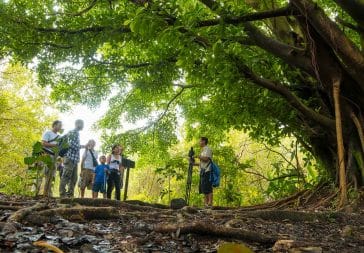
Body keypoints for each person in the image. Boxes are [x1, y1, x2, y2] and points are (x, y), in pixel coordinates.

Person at [59, 119, 84, 198]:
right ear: (77, 124)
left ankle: (70, 195)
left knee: (74, 179)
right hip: (69, 158)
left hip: (75, 159)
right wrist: (83, 146)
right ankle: (62, 194)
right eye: (82, 124)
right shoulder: (73, 132)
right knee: (66, 176)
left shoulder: (77, 133)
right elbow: (71, 145)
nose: (83, 126)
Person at [41, 120, 62, 197]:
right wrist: (54, 146)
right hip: (46, 155)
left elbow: (60, 148)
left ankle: (48, 193)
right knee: (43, 173)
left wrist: (59, 158)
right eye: (59, 125)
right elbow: (43, 143)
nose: (60, 127)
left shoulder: (59, 137)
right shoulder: (48, 133)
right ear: (54, 125)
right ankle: (38, 192)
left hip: (55, 157)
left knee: (51, 176)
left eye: (61, 126)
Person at [196, 137, 213, 207]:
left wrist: (198, 156)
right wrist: (193, 163)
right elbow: (202, 163)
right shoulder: (203, 150)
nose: (199, 142)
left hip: (207, 171)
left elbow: (206, 159)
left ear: (204, 141)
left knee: (208, 188)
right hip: (203, 171)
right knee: (204, 188)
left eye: (200, 141)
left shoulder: (207, 149)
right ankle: (206, 204)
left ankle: (210, 204)